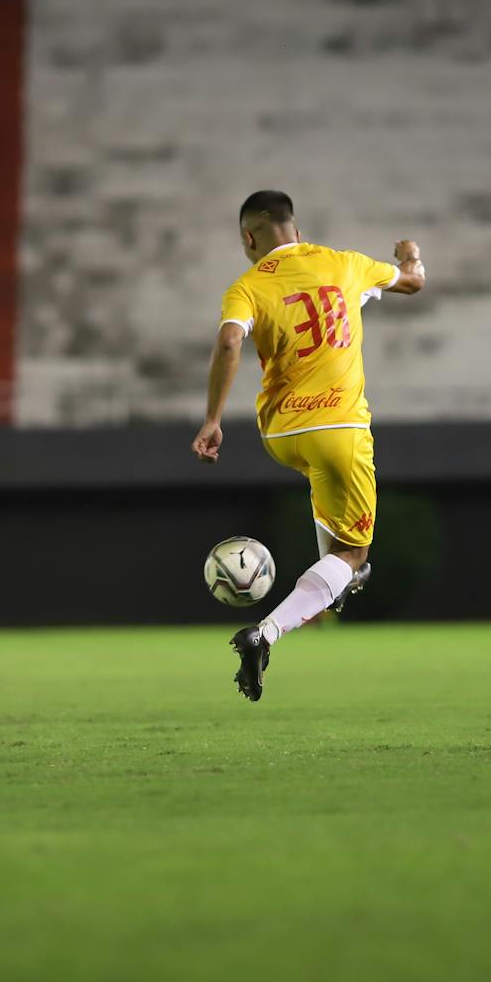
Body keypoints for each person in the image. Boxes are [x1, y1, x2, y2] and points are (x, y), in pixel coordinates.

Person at [191, 191, 426, 701]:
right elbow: (413, 281)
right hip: (340, 426)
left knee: (334, 530)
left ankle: (333, 584)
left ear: (249, 238)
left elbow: (230, 341)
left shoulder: (247, 286)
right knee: (355, 553)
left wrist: (212, 419)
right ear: (295, 228)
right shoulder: (345, 264)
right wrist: (409, 252)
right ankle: (267, 631)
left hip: (280, 431)